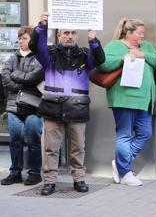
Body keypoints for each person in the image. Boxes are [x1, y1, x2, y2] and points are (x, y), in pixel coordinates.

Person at [30, 13, 105, 196]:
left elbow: (100, 60)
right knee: (50, 148)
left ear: (77, 35)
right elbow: (35, 46)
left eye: (72, 33)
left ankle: (79, 179)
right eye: (65, 33)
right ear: (58, 35)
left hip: (76, 107)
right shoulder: (50, 55)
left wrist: (93, 41)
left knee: (78, 147)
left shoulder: (85, 54)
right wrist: (41, 26)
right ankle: (49, 182)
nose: (69, 36)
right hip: (52, 107)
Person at [98, 18, 156, 186]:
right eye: (139, 33)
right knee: (124, 135)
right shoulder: (115, 46)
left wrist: (143, 54)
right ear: (129, 32)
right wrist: (122, 59)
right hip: (123, 98)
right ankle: (125, 173)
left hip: (145, 100)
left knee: (145, 133)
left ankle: (120, 164)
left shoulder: (145, 46)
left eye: (143, 32)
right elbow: (102, 64)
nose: (142, 36)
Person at [0, 26, 44, 186]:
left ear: (32, 40)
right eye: (19, 38)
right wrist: (21, 83)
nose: (20, 41)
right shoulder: (13, 57)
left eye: (24, 38)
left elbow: (35, 77)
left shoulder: (39, 57)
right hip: (14, 106)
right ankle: (15, 173)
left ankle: (34, 173)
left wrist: (15, 76)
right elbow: (5, 76)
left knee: (33, 140)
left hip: (33, 107)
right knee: (15, 140)